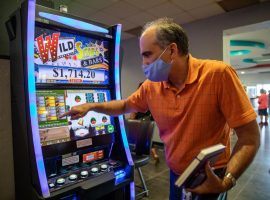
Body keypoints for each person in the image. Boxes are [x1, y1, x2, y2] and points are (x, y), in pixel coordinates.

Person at [60, 18, 260, 200]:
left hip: (210, 174)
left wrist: (226, 181)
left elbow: (249, 139)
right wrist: (92, 106)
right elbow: (124, 105)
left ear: (172, 51)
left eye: (148, 55)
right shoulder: (151, 86)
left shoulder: (218, 74)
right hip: (176, 173)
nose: (144, 63)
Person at [129, 82, 160, 164]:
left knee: (135, 139)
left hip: (138, 122)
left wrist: (130, 121)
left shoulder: (138, 99)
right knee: (147, 139)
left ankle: (133, 155)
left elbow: (133, 112)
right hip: (148, 122)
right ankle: (155, 155)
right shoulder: (151, 98)